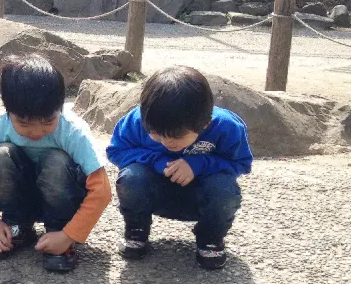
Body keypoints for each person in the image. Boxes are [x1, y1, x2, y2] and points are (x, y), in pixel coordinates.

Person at [0, 54, 112, 273]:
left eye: (48, 121)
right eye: (24, 124)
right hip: (20, 198)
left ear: (60, 108)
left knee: (56, 160)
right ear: (8, 112)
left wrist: (68, 235)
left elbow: (102, 190)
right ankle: (17, 226)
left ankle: (57, 230)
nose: (36, 132)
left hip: (62, 198)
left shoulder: (72, 132)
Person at [106, 65, 252, 270]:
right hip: (153, 192)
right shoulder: (138, 120)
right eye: (156, 134)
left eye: (176, 136)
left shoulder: (226, 127)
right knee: (131, 177)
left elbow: (241, 164)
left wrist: (198, 164)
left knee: (224, 188)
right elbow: (116, 151)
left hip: (200, 197)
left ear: (204, 125)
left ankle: (210, 237)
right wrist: (157, 161)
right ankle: (136, 229)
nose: (166, 142)